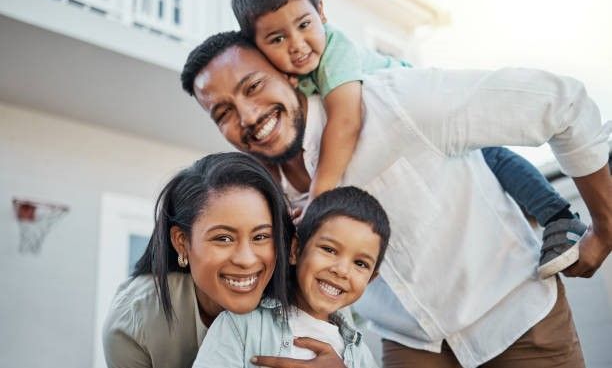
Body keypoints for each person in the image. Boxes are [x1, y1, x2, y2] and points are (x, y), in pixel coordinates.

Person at [180, 32, 612, 367]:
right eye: (223, 112)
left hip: (520, 323)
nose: (249, 116)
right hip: (410, 348)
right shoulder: (264, 199)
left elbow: (561, 103)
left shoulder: (395, 103)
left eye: (254, 86)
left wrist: (604, 228)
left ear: (288, 73)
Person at [230, 0, 587, 278]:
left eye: (304, 24)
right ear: (258, 47)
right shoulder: (288, 78)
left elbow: (345, 121)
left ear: (322, 12)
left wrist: (319, 195)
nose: (296, 44)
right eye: (277, 38)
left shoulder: (336, 48)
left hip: (427, 112)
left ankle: (559, 217)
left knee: (491, 155)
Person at [103, 152, 302, 368]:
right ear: (182, 242)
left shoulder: (305, 296)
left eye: (261, 237)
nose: (246, 260)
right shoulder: (134, 322)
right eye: (223, 238)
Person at [193, 186, 390, 368]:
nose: (342, 270)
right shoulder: (240, 325)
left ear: (371, 279)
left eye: (360, 264)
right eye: (329, 250)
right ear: (295, 250)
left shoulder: (360, 355)